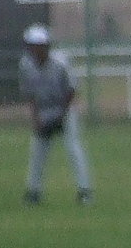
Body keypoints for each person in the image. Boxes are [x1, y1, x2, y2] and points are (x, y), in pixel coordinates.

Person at [18, 23, 93, 205]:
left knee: (73, 149)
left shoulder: (60, 63)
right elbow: (30, 94)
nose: (38, 49)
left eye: (41, 45)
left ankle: (85, 191)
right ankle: (33, 192)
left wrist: (62, 116)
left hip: (64, 109)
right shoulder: (25, 65)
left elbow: (71, 90)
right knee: (38, 152)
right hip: (43, 111)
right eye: (34, 45)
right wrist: (36, 119)